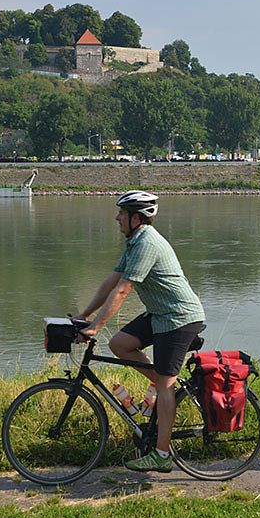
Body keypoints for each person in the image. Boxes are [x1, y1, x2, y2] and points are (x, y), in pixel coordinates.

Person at [73, 190, 206, 473]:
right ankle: (164, 381)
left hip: (178, 318)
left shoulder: (148, 243)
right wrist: (86, 314)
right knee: (120, 344)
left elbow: (123, 290)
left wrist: (96, 327)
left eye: (122, 213)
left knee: (164, 386)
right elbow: (112, 281)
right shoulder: (134, 242)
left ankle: (162, 454)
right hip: (159, 315)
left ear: (137, 218)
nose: (117, 217)